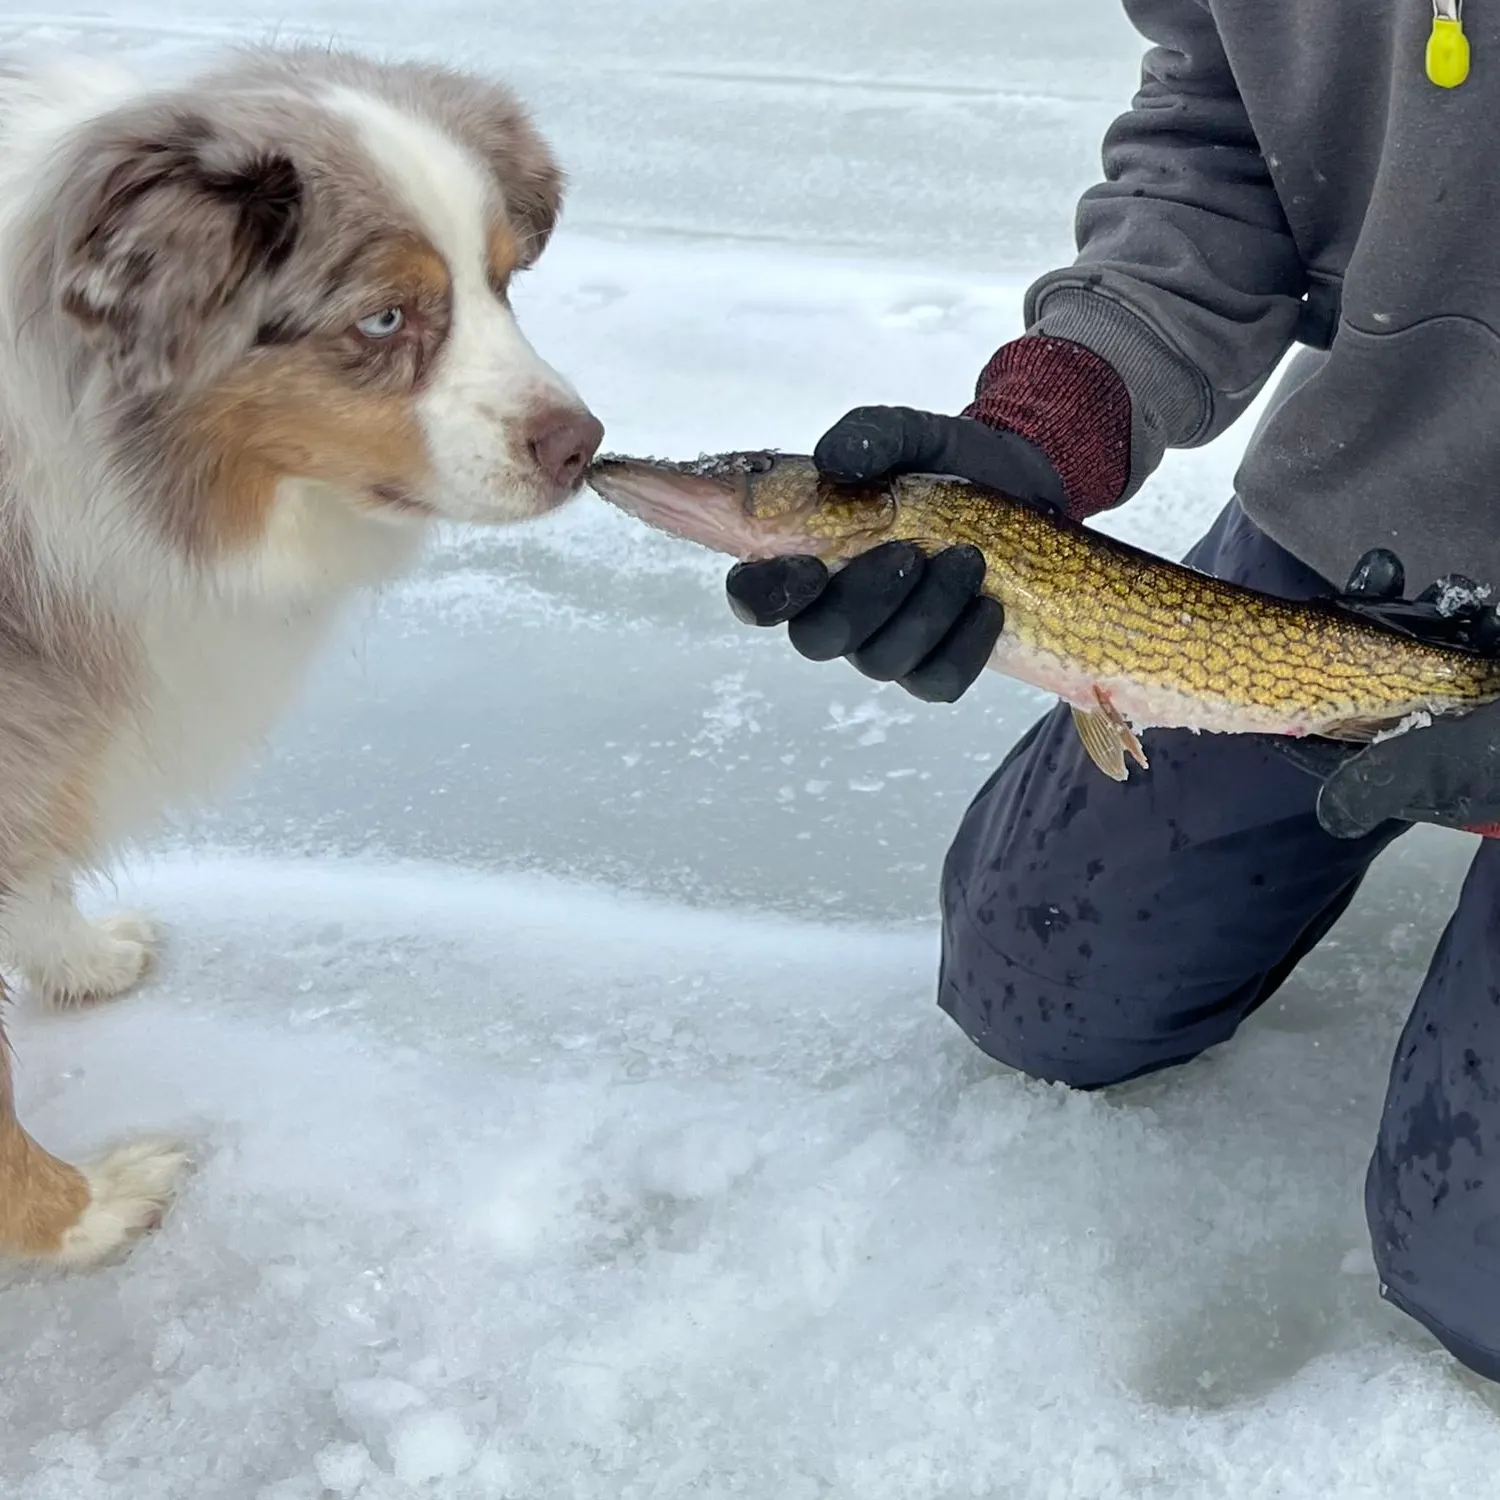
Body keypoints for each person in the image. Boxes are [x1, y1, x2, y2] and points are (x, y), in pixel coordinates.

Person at [724, 0, 1500, 1381]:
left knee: (1484, 1273)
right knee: (1041, 993)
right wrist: (1061, 405)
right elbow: (1230, 133)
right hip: (1374, 509)